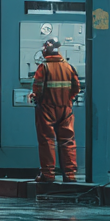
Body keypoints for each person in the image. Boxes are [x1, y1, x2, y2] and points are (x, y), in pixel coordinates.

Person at [30, 37, 80, 184]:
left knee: (47, 141)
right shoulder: (68, 67)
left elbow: (38, 89)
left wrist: (35, 97)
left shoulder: (43, 67)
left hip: (47, 109)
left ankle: (48, 174)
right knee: (68, 141)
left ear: (45, 51)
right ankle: (70, 174)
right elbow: (76, 88)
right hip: (66, 109)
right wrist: (67, 100)